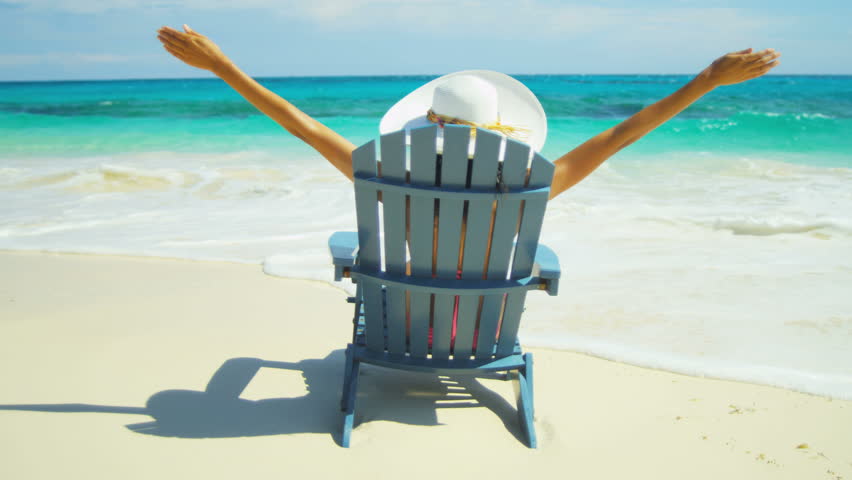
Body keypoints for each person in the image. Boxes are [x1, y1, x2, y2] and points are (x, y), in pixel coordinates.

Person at [156, 25, 780, 200]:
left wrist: (224, 68)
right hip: (480, 326)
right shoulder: (534, 181)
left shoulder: (379, 172)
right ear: (504, 132)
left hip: (399, 324)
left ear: (426, 124)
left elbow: (299, 123)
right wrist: (706, 80)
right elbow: (621, 134)